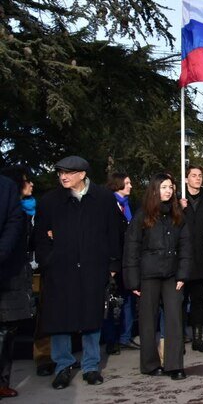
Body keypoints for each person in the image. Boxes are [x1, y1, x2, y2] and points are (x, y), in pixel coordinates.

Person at [35, 156, 121, 389]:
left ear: (82, 174)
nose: (63, 176)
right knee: (59, 319)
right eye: (60, 172)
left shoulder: (103, 198)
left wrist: (113, 265)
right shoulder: (50, 201)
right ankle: (63, 366)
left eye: (69, 172)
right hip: (60, 270)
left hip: (94, 267)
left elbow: (113, 233)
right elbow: (39, 237)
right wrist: (48, 260)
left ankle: (91, 366)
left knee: (91, 317)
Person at [123, 173, 190, 380]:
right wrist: (133, 281)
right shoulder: (142, 215)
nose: (168, 191)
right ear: (154, 189)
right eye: (163, 187)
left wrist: (182, 274)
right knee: (147, 321)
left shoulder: (178, 215)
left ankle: (174, 365)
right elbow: (132, 247)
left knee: (174, 319)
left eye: (170, 187)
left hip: (172, 275)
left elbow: (185, 246)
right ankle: (150, 364)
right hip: (148, 274)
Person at [179, 165, 203, 353]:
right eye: (193, 175)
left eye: (200, 175)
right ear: (186, 179)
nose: (197, 178)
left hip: (201, 258)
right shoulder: (177, 200)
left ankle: (197, 337)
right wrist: (179, 208)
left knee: (198, 301)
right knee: (179, 301)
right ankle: (179, 337)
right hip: (181, 260)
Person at [0, 173, 30, 399]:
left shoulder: (6, 187)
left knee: (5, 330)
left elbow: (14, 224)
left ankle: (2, 381)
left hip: (7, 271)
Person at [102, 172, 136, 354]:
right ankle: (111, 339)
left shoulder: (130, 205)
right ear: (118, 184)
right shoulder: (108, 204)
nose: (130, 186)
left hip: (129, 260)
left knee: (129, 299)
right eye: (127, 183)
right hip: (113, 261)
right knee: (112, 301)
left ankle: (125, 336)